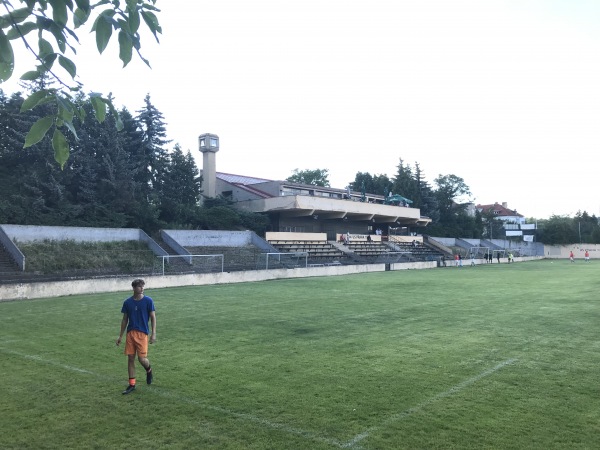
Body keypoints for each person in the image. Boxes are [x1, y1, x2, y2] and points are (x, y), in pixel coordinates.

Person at [116, 279, 156, 395]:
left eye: (143, 286)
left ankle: (149, 370)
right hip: (130, 334)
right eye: (139, 286)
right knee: (130, 358)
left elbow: (153, 317)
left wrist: (153, 333)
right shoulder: (128, 302)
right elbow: (124, 319)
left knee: (142, 359)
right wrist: (120, 336)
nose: (142, 288)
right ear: (133, 288)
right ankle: (132, 384)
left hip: (142, 334)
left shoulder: (148, 301)